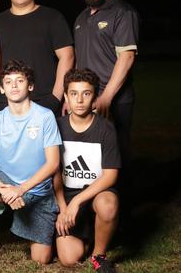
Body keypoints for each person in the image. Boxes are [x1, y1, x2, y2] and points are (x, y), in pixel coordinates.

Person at [0, 60, 61, 272]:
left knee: (41, 259)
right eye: (8, 82)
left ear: (30, 86)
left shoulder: (45, 117)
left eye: (20, 81)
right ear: (1, 88)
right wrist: (4, 189)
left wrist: (21, 190)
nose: (14, 86)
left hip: (36, 191)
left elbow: (53, 163)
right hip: (8, 185)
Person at [73, 0, 138, 195]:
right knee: (92, 156)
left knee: (116, 155)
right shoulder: (81, 19)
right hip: (86, 99)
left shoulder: (123, 12)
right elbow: (80, 62)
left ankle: (123, 211)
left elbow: (127, 57)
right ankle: (93, 207)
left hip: (114, 100)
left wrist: (107, 97)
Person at [54, 68, 120, 272]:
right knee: (68, 259)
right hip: (67, 196)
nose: (80, 100)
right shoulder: (56, 126)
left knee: (108, 205)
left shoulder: (105, 128)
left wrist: (78, 201)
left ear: (94, 97)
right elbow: (53, 172)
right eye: (73, 94)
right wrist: (63, 206)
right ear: (66, 96)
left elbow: (110, 175)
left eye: (86, 93)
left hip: (96, 193)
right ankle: (91, 234)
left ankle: (98, 255)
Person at [0, 0, 74, 115]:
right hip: (3, 103)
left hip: (43, 101)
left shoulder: (52, 18)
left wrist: (56, 98)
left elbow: (67, 56)